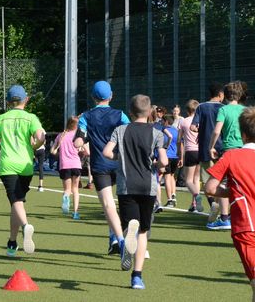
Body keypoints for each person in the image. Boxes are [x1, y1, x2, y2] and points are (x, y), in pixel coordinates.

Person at [103, 94, 167, 290]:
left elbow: (107, 152)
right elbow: (163, 161)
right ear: (150, 113)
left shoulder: (121, 130)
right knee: (143, 232)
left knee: (129, 225)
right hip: (148, 187)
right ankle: (137, 277)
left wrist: (119, 157)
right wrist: (156, 163)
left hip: (126, 186)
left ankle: (126, 241)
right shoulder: (157, 133)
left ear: (130, 112)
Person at [0, 85, 45, 257]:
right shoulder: (31, 118)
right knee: (16, 202)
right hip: (26, 165)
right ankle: (12, 242)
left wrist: (1, 145)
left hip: (8, 165)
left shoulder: (0, 119)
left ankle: (26, 226)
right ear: (26, 100)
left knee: (16, 201)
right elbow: (41, 136)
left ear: (8, 101)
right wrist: (34, 146)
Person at [205, 107, 255, 302]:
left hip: (246, 227)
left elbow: (209, 188)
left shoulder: (232, 156)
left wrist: (230, 191)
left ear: (242, 134)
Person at [74, 80, 130, 254]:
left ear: (93, 97)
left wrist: (83, 140)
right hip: (121, 164)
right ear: (111, 96)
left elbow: (77, 142)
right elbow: (129, 134)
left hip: (100, 166)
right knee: (124, 204)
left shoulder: (86, 117)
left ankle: (119, 240)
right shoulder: (121, 115)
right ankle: (121, 237)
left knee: (108, 204)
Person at [206, 81, 247, 230]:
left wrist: (211, 146)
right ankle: (242, 215)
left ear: (225, 95)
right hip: (245, 150)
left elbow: (217, 130)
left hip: (229, 150)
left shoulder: (223, 110)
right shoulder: (245, 110)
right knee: (244, 183)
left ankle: (224, 218)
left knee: (223, 183)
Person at [191, 82, 227, 229]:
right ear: (220, 95)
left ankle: (213, 204)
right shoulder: (224, 108)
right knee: (222, 181)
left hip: (205, 149)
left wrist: (201, 129)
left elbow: (194, 126)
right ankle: (222, 210)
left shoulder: (201, 107)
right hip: (222, 148)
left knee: (209, 181)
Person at [55, 116, 85, 219]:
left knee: (67, 189)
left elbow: (53, 150)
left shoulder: (61, 135)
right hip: (76, 164)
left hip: (64, 165)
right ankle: (76, 213)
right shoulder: (78, 136)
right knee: (75, 189)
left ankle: (66, 197)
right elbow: (87, 152)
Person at [178, 99, 203, 212]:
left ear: (187, 110)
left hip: (190, 152)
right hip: (200, 151)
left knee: (188, 181)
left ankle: (197, 197)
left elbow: (179, 140)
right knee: (196, 179)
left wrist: (180, 156)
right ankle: (194, 204)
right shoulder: (201, 120)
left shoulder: (183, 122)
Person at [162, 114, 180, 208]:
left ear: (166, 122)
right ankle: (173, 195)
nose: (161, 123)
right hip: (176, 157)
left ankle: (169, 200)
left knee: (167, 177)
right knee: (172, 176)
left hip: (167, 156)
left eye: (162, 121)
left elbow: (164, 144)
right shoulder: (176, 131)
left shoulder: (165, 131)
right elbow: (180, 143)